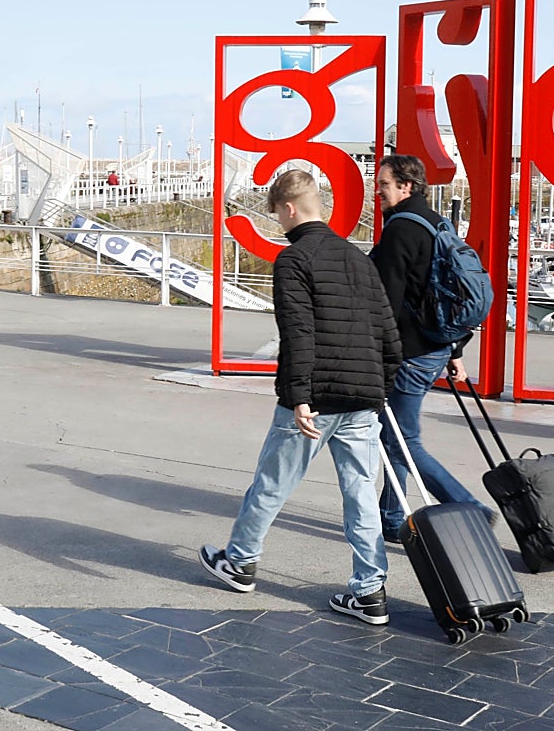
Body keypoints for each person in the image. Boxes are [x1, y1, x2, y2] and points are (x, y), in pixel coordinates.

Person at [200, 169, 402, 625]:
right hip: (363, 398)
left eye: (276, 213)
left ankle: (241, 562)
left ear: (289, 208)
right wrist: (379, 388)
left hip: (316, 398)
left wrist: (298, 397)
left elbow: (297, 332)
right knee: (361, 494)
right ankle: (370, 591)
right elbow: (389, 335)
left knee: (273, 481)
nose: (277, 221)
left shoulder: (294, 260)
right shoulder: (359, 258)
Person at [371, 154, 495, 542]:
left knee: (403, 442)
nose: (378, 191)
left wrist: (377, 355)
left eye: (384, 184)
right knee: (394, 434)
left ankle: (469, 507)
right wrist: (455, 352)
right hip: (438, 346)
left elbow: (387, 303)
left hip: (411, 353)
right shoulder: (437, 223)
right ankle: (391, 517)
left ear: (406, 186)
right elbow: (441, 291)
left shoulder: (400, 230)